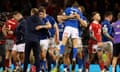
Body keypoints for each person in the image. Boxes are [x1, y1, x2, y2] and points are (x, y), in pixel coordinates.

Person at [58, 6, 87, 71]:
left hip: (78, 36)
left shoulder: (83, 17)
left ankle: (79, 69)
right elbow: (60, 19)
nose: (77, 10)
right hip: (71, 32)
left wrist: (78, 18)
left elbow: (85, 25)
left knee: (79, 54)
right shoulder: (70, 13)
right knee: (66, 54)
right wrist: (69, 17)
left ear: (81, 11)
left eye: (79, 9)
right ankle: (66, 68)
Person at [38, 7, 51, 71]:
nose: (41, 15)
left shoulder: (45, 19)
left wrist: (41, 26)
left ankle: (45, 68)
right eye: (40, 14)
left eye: (42, 14)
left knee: (43, 55)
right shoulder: (36, 20)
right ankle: (41, 68)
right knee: (40, 55)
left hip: (44, 39)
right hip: (37, 39)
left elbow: (49, 26)